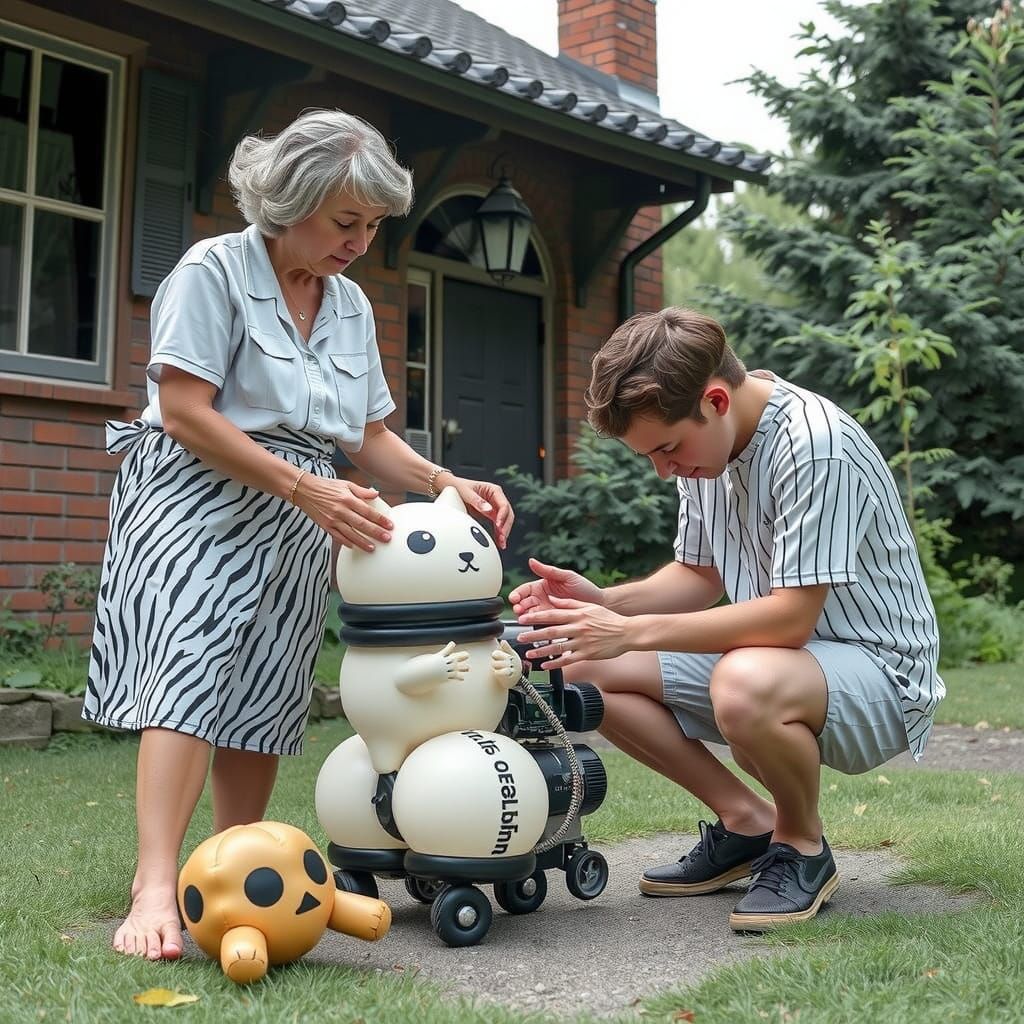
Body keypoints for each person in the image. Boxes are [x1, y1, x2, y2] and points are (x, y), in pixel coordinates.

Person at [83, 109, 514, 960]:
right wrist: (304, 487)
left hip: (302, 503)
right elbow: (182, 410)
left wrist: (441, 481)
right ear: (288, 203)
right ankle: (156, 882)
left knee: (266, 682)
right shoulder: (212, 270)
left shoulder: (349, 304)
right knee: (192, 662)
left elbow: (368, 435)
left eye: (374, 225)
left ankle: (233, 863)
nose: (360, 241)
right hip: (197, 488)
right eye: (345, 222)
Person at [512, 307, 942, 931]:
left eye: (667, 449)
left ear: (714, 400)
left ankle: (801, 847)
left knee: (742, 681)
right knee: (583, 667)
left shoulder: (816, 446)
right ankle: (749, 824)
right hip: (774, 663)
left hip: (878, 676)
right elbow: (699, 576)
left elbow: (791, 619)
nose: (664, 470)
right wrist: (604, 603)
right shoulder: (709, 452)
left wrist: (630, 632)